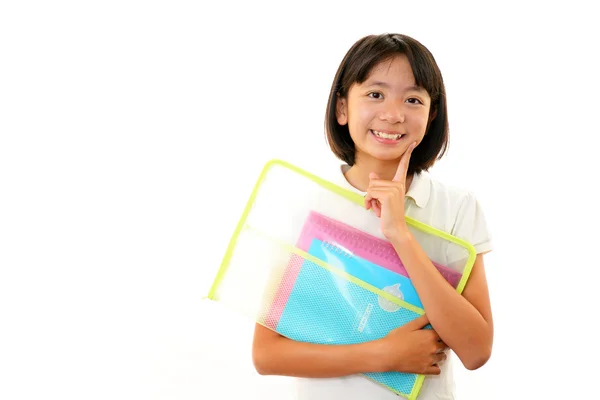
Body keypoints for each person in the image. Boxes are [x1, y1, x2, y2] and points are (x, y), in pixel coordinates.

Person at [252, 33, 494, 400]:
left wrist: (400, 234)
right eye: (376, 94)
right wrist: (383, 355)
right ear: (342, 108)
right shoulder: (307, 204)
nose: (394, 114)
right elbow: (267, 354)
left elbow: (476, 350)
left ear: (431, 115)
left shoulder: (456, 208)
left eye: (413, 99)